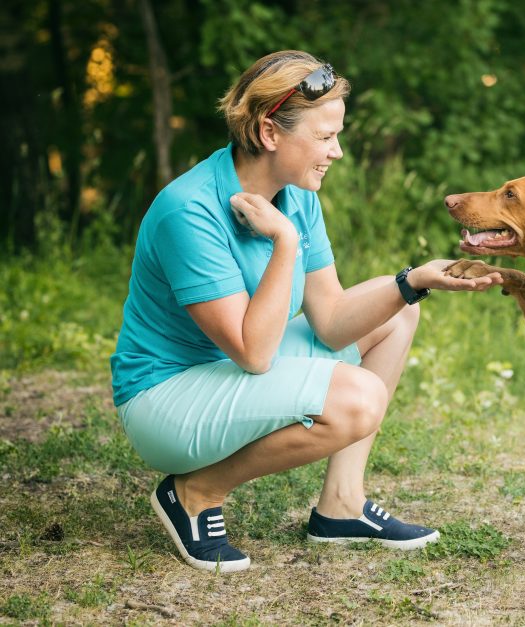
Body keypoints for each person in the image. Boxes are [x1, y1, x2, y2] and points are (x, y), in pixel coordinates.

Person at [110, 50, 503, 572]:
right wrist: (285, 243)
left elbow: (333, 318)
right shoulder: (190, 211)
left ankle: (341, 504)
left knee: (395, 313)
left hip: (230, 370)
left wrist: (412, 282)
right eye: (324, 137)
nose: (337, 151)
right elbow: (253, 353)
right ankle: (196, 493)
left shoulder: (295, 193)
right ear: (270, 134)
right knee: (358, 400)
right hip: (166, 399)